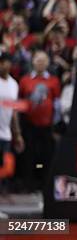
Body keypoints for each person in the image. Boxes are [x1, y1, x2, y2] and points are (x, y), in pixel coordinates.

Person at [18, 50, 60, 192]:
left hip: (47, 126)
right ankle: (28, 184)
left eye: (43, 60)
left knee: (46, 156)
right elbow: (21, 102)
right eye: (38, 60)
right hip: (29, 125)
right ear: (33, 61)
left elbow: (57, 104)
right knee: (28, 156)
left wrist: (55, 125)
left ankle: (45, 185)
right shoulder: (25, 80)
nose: (40, 63)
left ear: (48, 63)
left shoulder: (53, 81)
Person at [0, 52, 24, 187]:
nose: (5, 65)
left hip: (5, 133)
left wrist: (18, 134)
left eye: (7, 63)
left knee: (4, 168)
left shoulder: (13, 84)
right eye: (2, 63)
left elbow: (14, 111)